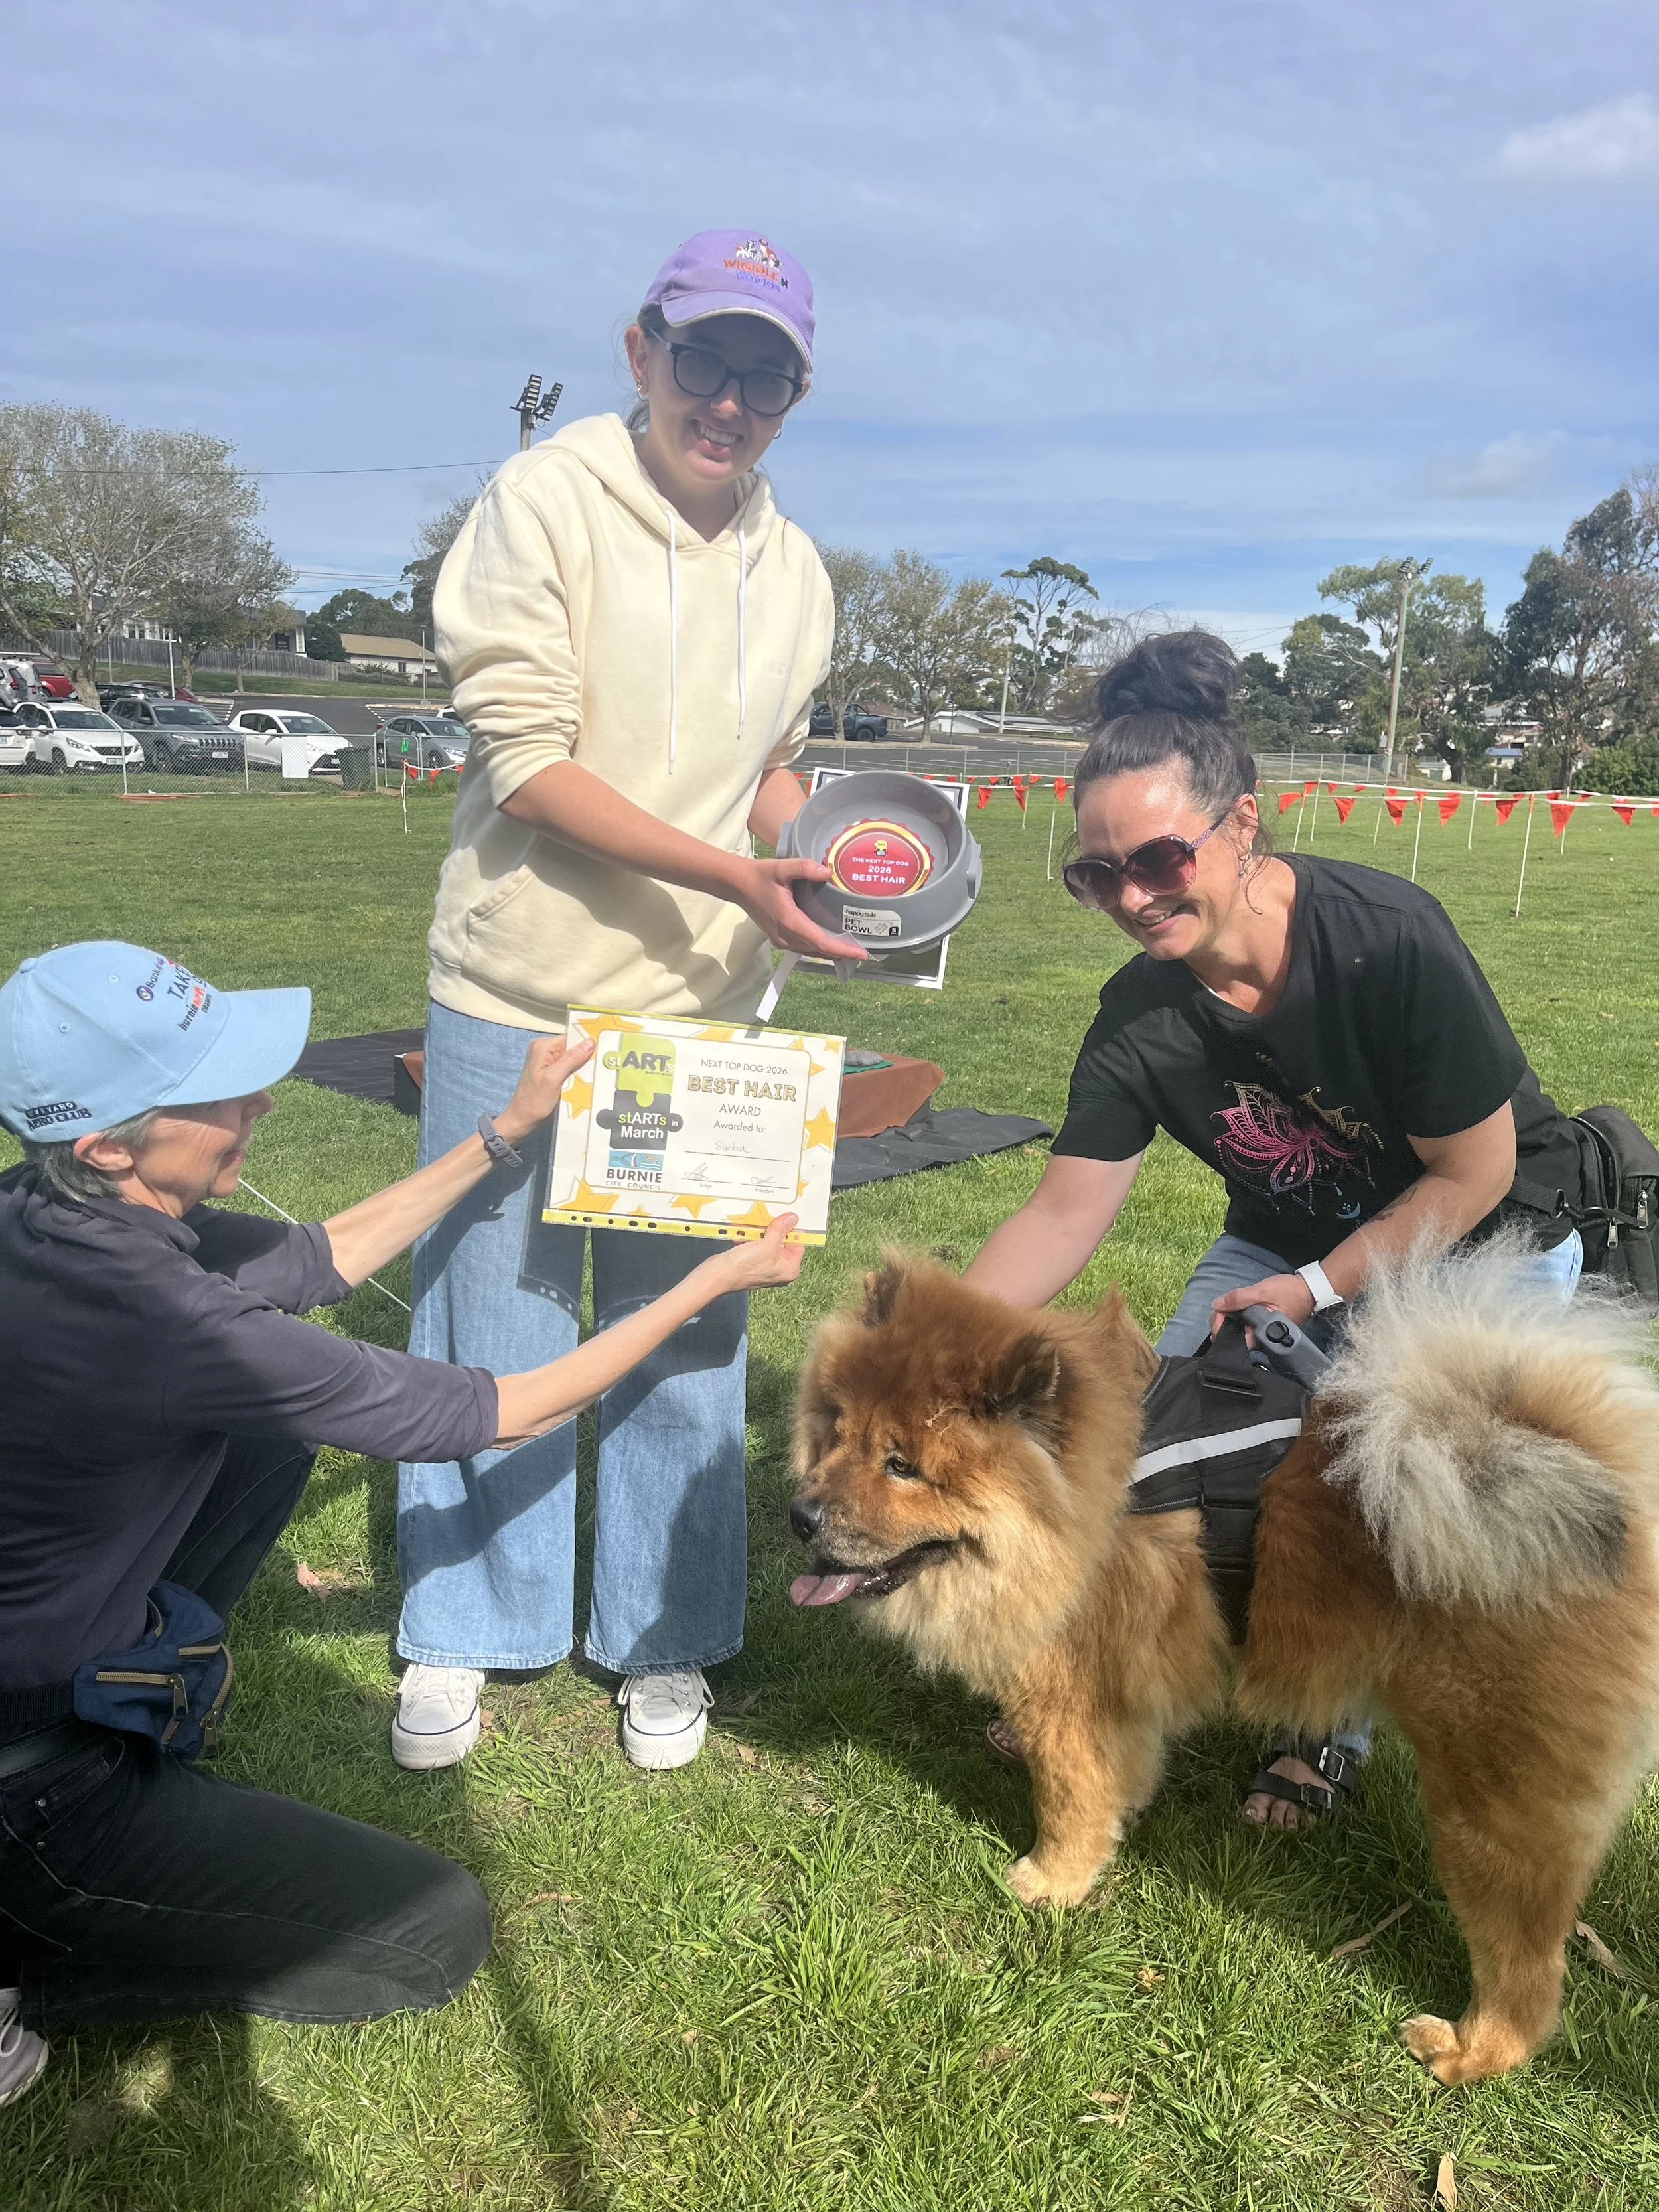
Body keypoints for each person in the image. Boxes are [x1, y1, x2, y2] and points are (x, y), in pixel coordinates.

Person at [0, 941, 801, 2108]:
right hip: (26, 1777)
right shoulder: (172, 1322)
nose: (260, 1103)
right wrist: (701, 1287)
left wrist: (503, 1132)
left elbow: (321, 1259)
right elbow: (504, 1412)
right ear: (110, 1143)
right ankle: (27, 1963)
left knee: (269, 1439)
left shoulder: (50, 1209)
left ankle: (122, 1724)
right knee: (434, 1933)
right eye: (220, 1094)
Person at [962, 632, 1586, 1828]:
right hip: (1291, 1231)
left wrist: (1313, 1289)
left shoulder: (1385, 937)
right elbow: (1064, 1207)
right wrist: (946, 1348)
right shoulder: (1139, 1016)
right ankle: (1126, 1671)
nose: (1133, 898)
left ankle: (1322, 1724)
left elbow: (1473, 1168)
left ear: (1244, 825)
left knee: (1352, 1474)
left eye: (1157, 858)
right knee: (1154, 1443)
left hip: (1481, 1233)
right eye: (1097, 877)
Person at [394, 229, 859, 1775]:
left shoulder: (797, 567)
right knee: (488, 1320)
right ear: (641, 346)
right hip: (518, 993)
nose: (727, 399)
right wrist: (735, 878)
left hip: (710, 1023)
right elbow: (526, 766)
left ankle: (659, 1641)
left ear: (797, 390)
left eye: (765, 374)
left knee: (686, 1337)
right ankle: (468, 1624)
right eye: (704, 358)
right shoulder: (543, 499)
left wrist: (820, 849)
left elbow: (771, 769)